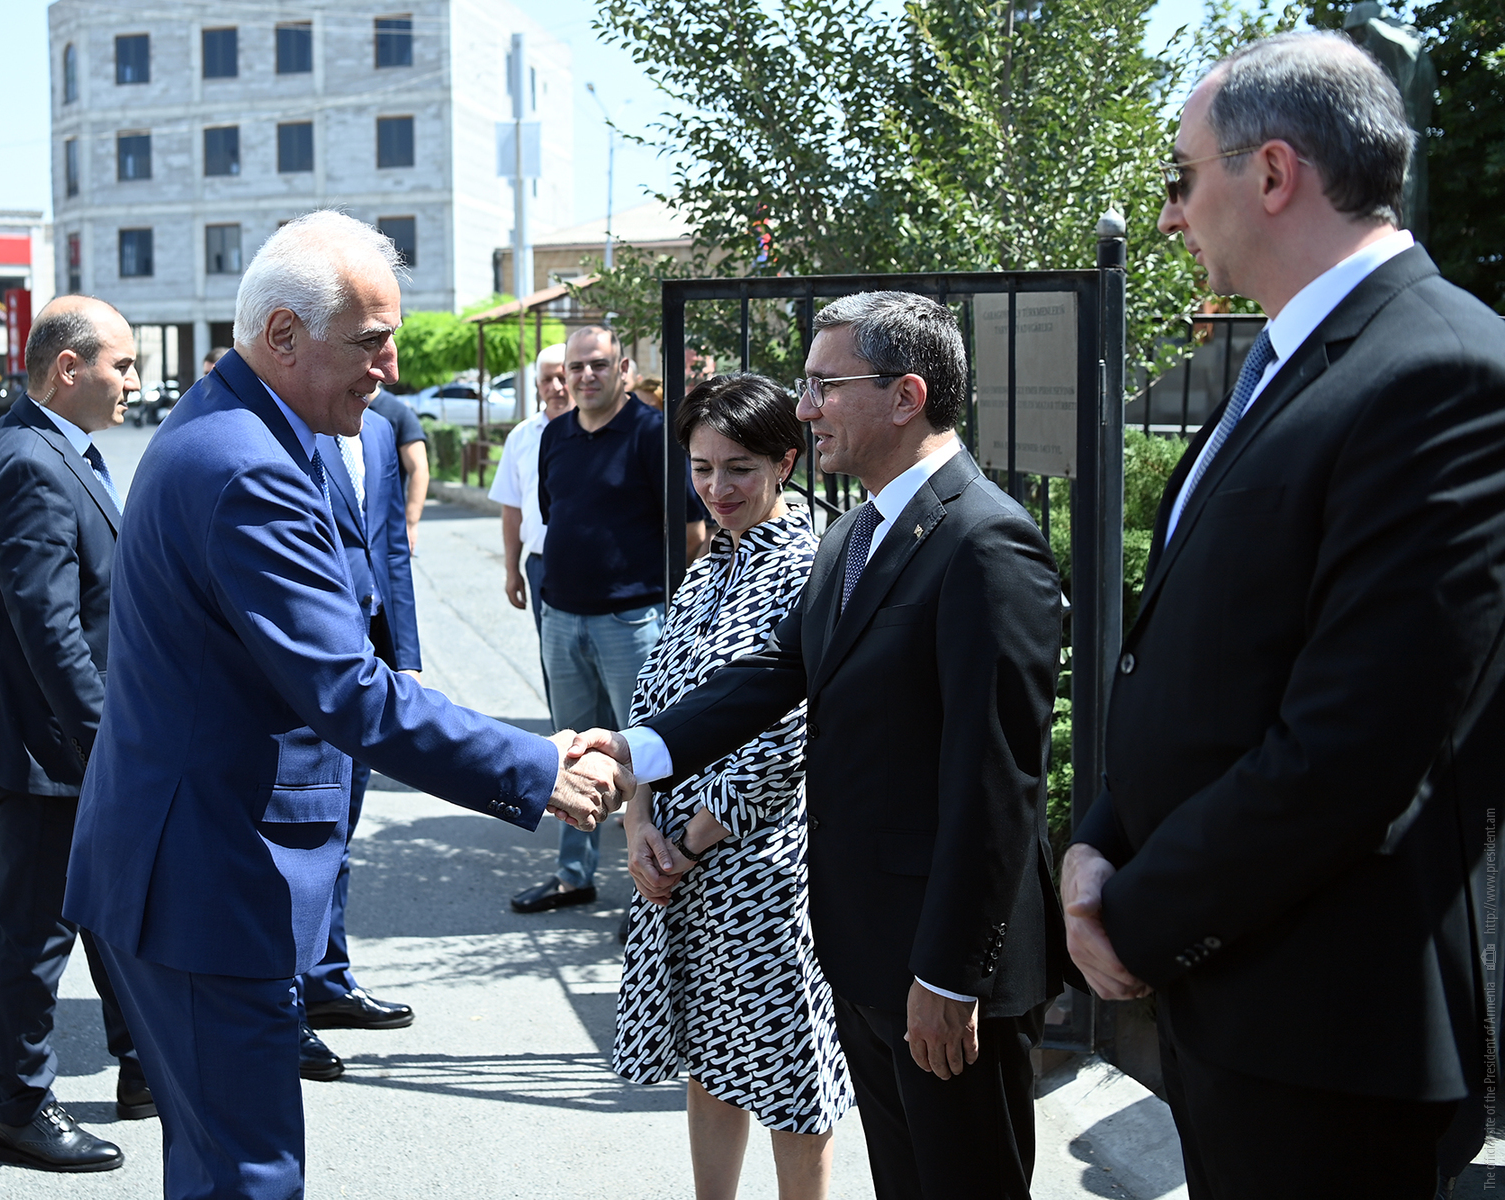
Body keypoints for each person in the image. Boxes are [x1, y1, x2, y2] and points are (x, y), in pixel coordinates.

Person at [62, 210, 629, 1200]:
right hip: (203, 884)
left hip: (185, 870)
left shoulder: (237, 430)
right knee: (246, 1179)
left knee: (218, 1169)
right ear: (283, 334)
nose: (391, 368)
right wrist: (537, 765)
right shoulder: (246, 464)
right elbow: (346, 689)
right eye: (372, 341)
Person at [1060, 32, 1505, 1200]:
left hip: (1328, 1043)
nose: (1169, 215)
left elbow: (1356, 745)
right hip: (1237, 1013)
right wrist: (1099, 839)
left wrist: (1131, 917)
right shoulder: (1285, 363)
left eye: (1181, 176)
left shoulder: (1441, 370)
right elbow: (1202, 665)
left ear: (1271, 174)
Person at [585, 291, 1069, 1200]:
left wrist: (949, 977)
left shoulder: (985, 542)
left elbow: (996, 784)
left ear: (905, 395)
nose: (804, 410)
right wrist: (634, 749)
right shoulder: (856, 531)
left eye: (823, 386)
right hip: (864, 953)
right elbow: (776, 671)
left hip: (941, 970)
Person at [614, 373, 851, 1200]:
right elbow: (652, 701)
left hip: (761, 870)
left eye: (739, 468)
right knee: (709, 1059)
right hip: (672, 862)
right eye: (702, 467)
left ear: (786, 461)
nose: (717, 487)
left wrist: (684, 844)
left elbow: (790, 735)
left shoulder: (811, 566)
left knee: (788, 1075)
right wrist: (638, 823)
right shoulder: (710, 562)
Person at [0, 295, 149, 1173]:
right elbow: (49, 629)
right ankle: (21, 1109)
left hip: (65, 743)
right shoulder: (31, 460)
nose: (134, 382)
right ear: (70, 368)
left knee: (108, 911)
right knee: (36, 935)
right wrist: (108, 744)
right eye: (123, 365)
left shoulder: (54, 447)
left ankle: (143, 1065)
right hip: (48, 750)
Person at [508, 325, 707, 916]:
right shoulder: (555, 435)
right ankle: (574, 875)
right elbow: (554, 514)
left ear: (622, 369)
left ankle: (653, 889)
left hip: (631, 622)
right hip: (561, 617)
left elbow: (691, 533)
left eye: (598, 364)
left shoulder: (652, 433)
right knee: (570, 756)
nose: (586, 375)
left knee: (647, 757)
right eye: (576, 367)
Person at [295, 400, 422, 1082]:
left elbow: (390, 544)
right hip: (312, 661)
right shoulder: (293, 425)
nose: (386, 365)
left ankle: (327, 980)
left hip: (370, 659)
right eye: (371, 348)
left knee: (340, 833)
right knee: (301, 839)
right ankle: (286, 1006)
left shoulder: (378, 429)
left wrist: (407, 656)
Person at [489, 343, 571, 644]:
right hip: (540, 563)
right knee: (553, 659)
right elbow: (512, 508)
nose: (556, 387)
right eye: (547, 380)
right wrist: (512, 569)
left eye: (562, 378)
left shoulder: (597, 433)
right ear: (537, 385)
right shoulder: (521, 436)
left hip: (588, 562)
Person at [364, 387, 430, 552]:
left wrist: (410, 523)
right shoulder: (337, 410)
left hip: (387, 522)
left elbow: (419, 469)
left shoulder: (398, 412)